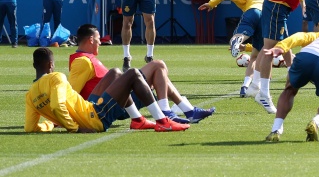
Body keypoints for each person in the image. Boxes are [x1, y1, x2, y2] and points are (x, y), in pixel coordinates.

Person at [68, 24, 215, 124]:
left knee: (160, 72)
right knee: (158, 65)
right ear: (91, 40)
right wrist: (65, 120)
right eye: (99, 40)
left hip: (118, 102)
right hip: (109, 107)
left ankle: (188, 111)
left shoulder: (87, 59)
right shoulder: (82, 61)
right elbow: (71, 93)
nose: (100, 43)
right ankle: (167, 111)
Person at [25, 47, 189, 133]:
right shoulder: (56, 77)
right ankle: (162, 122)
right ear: (50, 65)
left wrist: (49, 124)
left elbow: (30, 128)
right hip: (94, 117)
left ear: (34, 66)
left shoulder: (30, 96)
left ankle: (138, 121)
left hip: (88, 108)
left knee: (115, 73)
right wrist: (74, 128)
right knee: (133, 74)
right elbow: (56, 105)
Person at [198, 0, 264, 97]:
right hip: (265, 18)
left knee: (238, 36)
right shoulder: (267, 3)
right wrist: (247, 48)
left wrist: (212, 4)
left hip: (252, 12)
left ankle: (237, 41)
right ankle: (247, 86)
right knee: (256, 55)